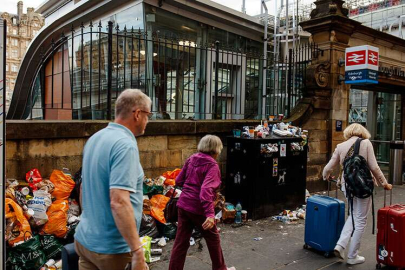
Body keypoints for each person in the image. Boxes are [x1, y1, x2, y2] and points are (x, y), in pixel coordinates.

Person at [74, 89, 152, 270]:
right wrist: (138, 251)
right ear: (138, 114)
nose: (148, 120)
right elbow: (118, 201)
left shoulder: (95, 138)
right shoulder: (125, 145)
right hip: (112, 250)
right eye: (148, 114)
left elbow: (84, 188)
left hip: (85, 241)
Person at [322, 123, 393, 265]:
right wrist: (385, 183)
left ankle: (340, 245)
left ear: (348, 132)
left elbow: (328, 167)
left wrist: (326, 176)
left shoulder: (340, 146)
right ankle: (352, 255)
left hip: (347, 186)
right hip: (362, 186)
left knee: (353, 215)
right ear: (363, 132)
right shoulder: (366, 143)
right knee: (360, 220)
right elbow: (374, 167)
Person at [169, 135, 236, 270]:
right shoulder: (212, 165)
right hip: (198, 208)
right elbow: (205, 190)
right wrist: (210, 215)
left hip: (183, 205)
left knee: (180, 243)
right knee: (213, 240)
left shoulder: (192, 158)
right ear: (215, 150)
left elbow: (178, 181)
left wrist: (192, 183)